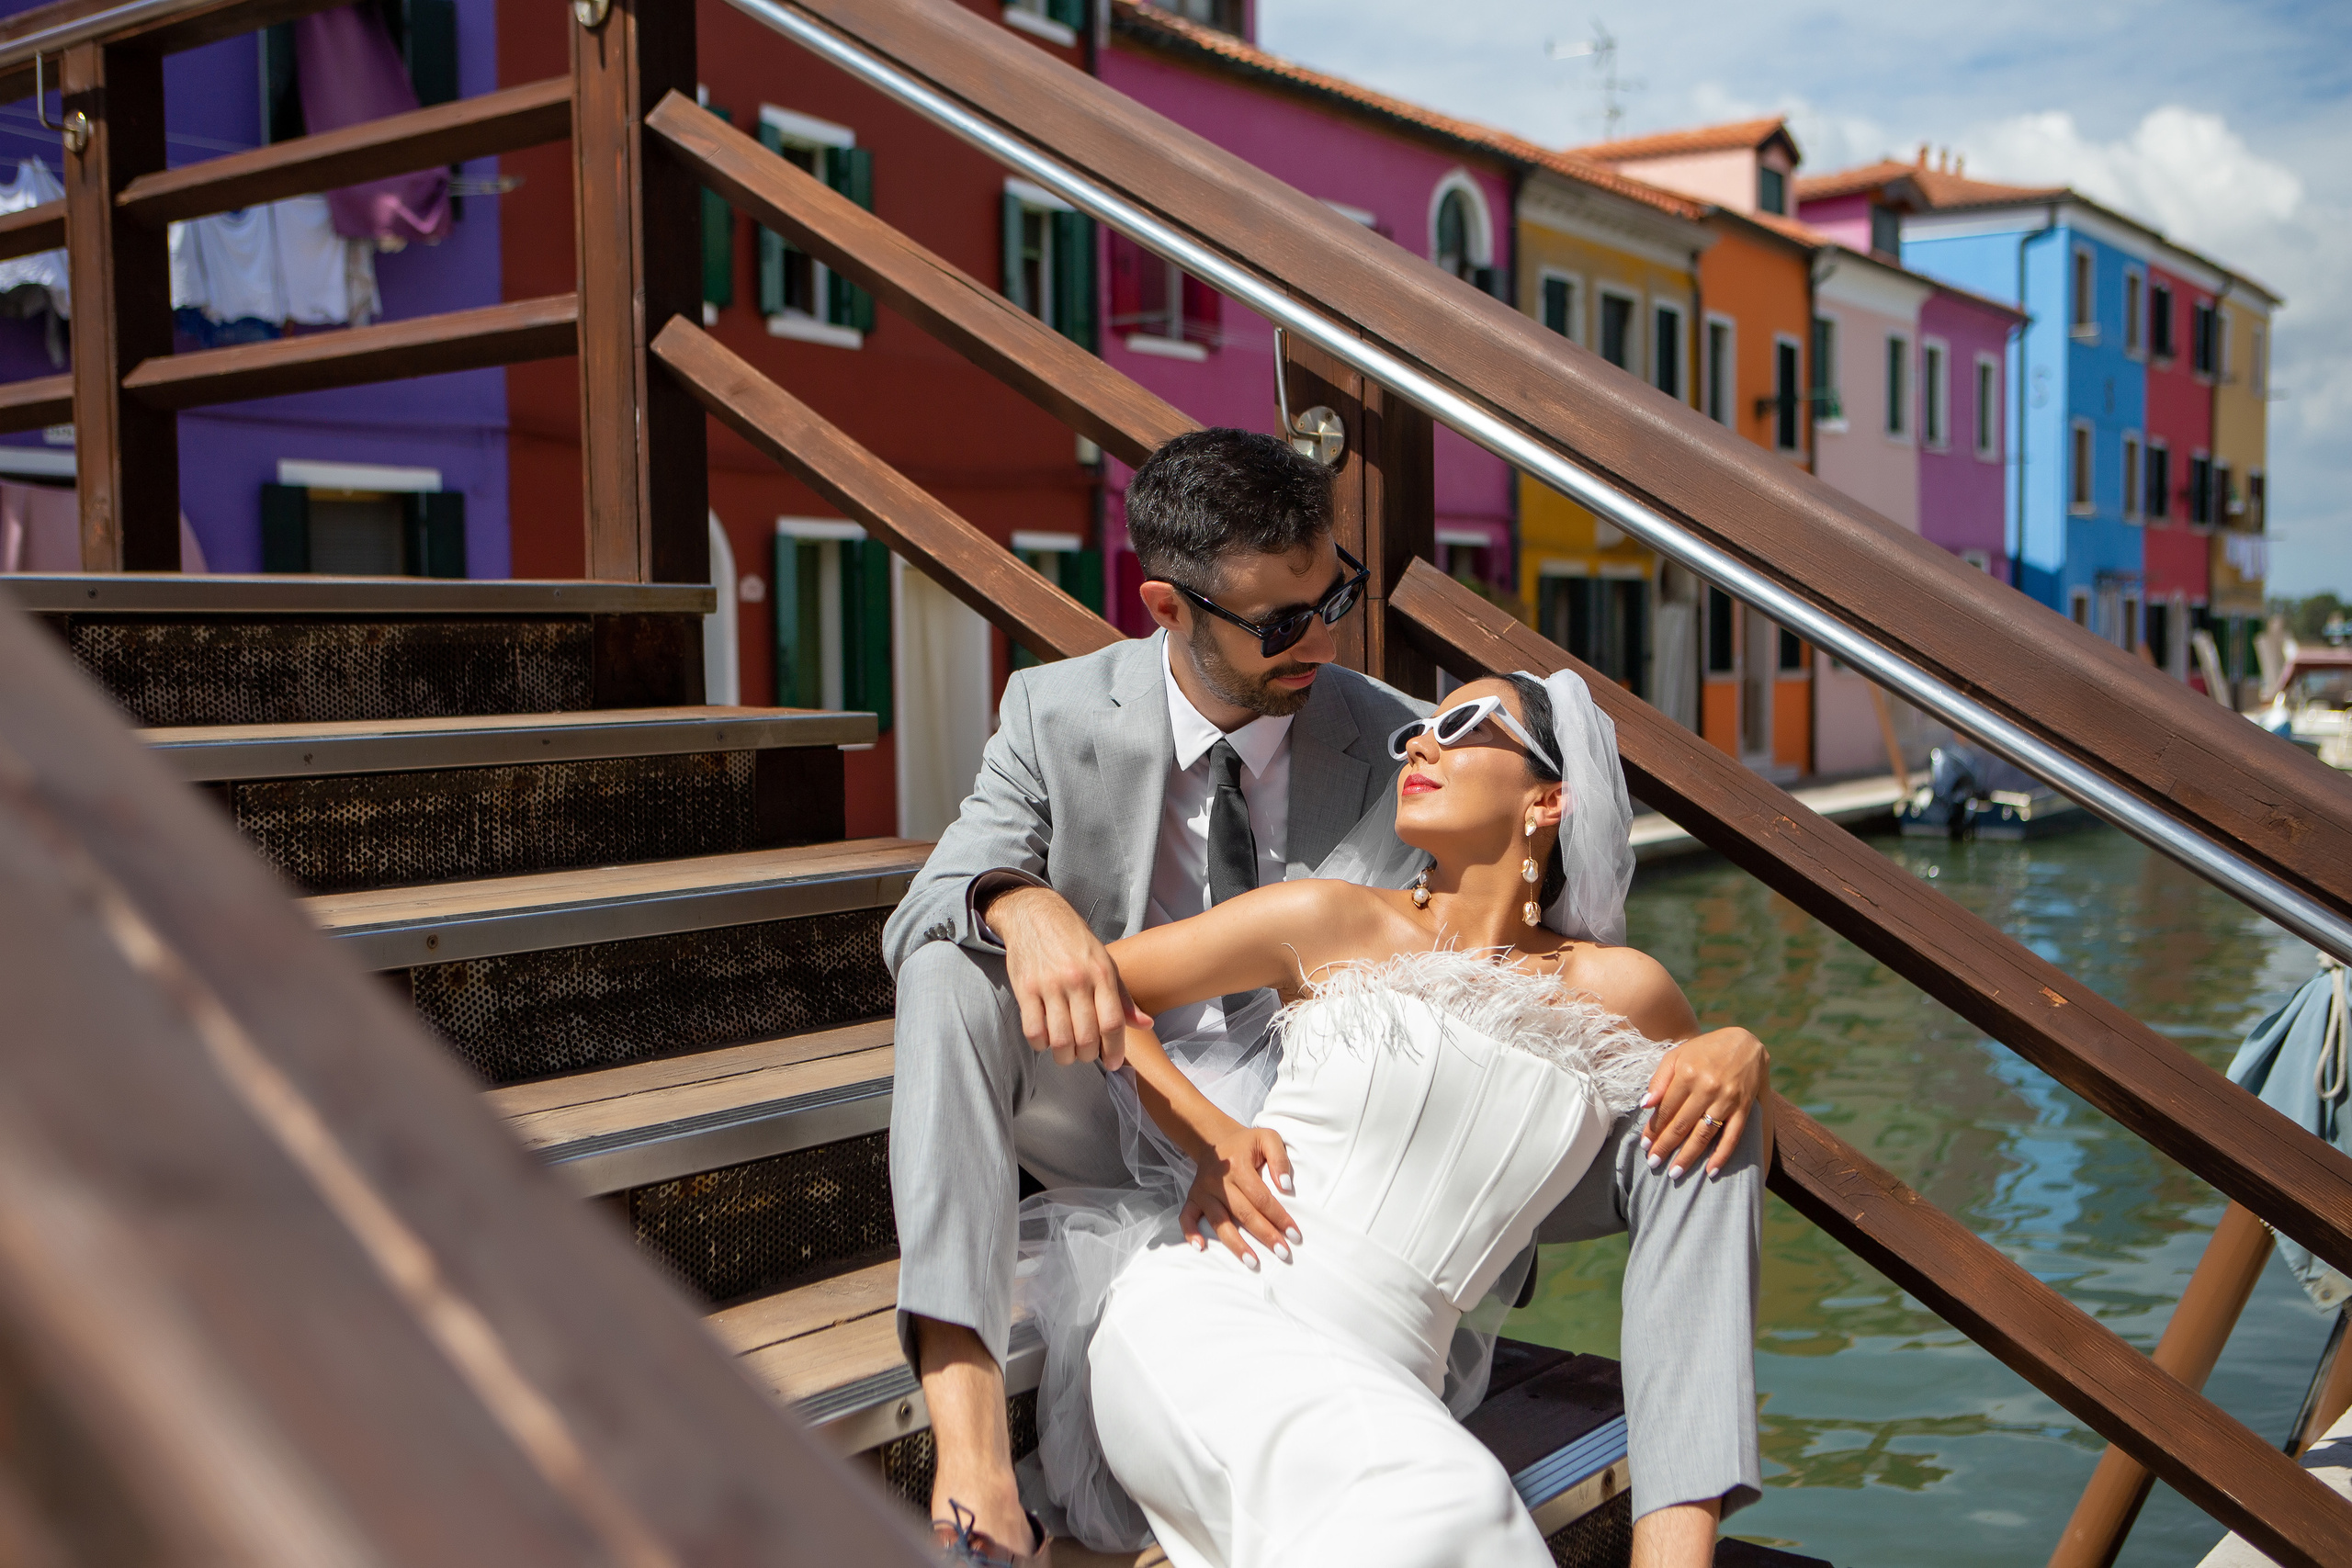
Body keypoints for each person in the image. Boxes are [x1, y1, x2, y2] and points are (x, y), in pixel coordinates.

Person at [883, 429, 1764, 1565]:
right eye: (1281, 621)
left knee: (1711, 1127)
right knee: (950, 963)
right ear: (1169, 608)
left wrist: (1735, 1047)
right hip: (1117, 1096)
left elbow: (1521, 957)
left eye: (1334, 597)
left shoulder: (1394, 739)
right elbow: (933, 906)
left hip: (1352, 1139)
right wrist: (1021, 900)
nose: (1324, 640)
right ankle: (969, 1449)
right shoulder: (1052, 713)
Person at [1021, 670, 1767, 1568]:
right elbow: (1091, 986)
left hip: (1396, 1385)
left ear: (1548, 798)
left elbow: (1715, 1146)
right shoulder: (1331, 917)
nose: (1420, 742)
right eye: (1419, 729)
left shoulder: (1624, 992)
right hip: (1216, 1312)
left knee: (1451, 1507)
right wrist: (1206, 1133)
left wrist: (1740, 1050)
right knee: (1461, 1506)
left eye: (1464, 725)